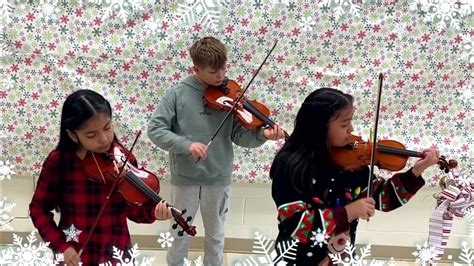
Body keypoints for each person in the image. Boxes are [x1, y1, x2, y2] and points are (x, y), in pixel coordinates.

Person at [147, 36, 285, 266]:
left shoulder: (230, 94)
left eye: (223, 68)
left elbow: (240, 136)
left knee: (215, 234)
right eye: (213, 72)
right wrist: (186, 145)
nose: (221, 76)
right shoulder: (177, 94)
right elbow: (155, 129)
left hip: (218, 177)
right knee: (178, 232)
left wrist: (262, 135)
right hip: (185, 177)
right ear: (196, 69)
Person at [270, 88, 440, 265]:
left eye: (350, 122)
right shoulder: (289, 165)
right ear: (319, 127)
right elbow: (295, 223)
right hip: (297, 258)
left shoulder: (352, 167)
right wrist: (348, 212)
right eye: (344, 125)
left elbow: (385, 198)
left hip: (340, 258)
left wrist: (417, 170)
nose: (351, 129)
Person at [29, 89, 173, 265]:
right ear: (73, 134)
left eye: (107, 127)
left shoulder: (123, 159)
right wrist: (61, 246)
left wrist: (153, 212)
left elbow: (134, 211)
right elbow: (38, 209)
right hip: (75, 250)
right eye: (91, 135)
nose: (104, 139)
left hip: (116, 249)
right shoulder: (59, 162)